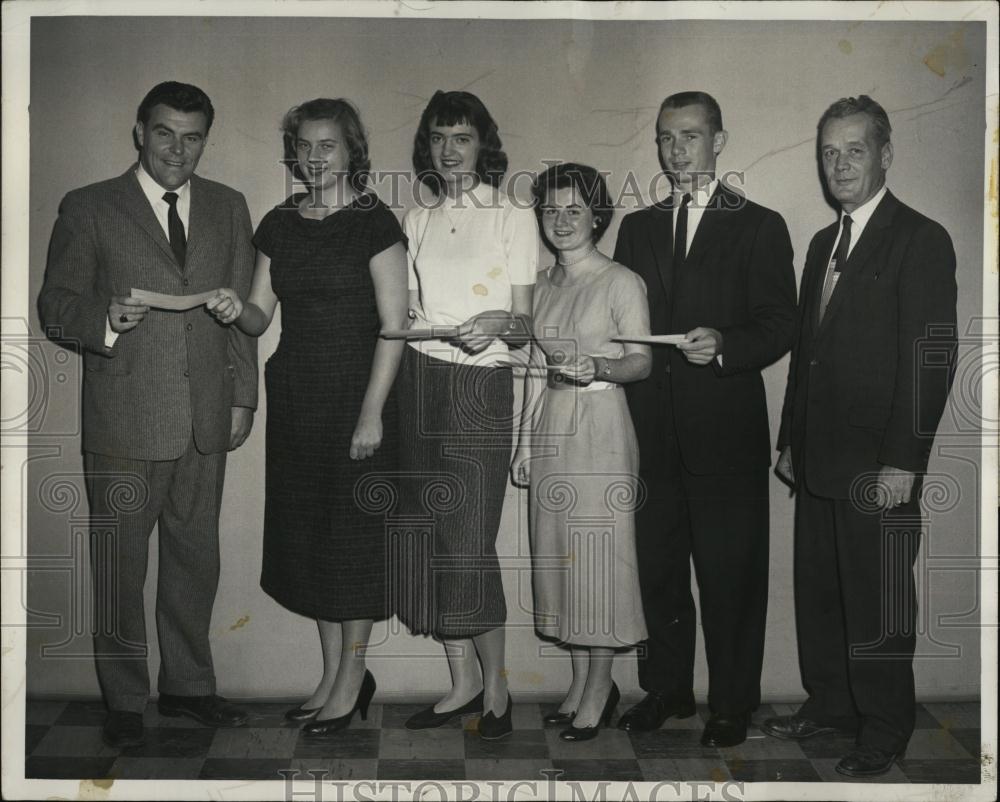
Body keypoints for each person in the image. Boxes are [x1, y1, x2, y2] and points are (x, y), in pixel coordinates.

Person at [37, 81, 258, 748]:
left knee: (196, 561)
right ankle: (125, 700)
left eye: (192, 136)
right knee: (120, 568)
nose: (177, 148)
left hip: (205, 417)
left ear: (204, 141)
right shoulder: (89, 206)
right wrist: (103, 318)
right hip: (124, 419)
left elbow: (243, 310)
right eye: (165, 132)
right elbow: (57, 304)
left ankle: (190, 688)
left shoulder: (228, 206)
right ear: (140, 132)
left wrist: (244, 395)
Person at [762, 96, 957, 777]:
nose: (839, 165)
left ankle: (883, 729)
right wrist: (789, 439)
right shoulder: (823, 243)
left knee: (878, 603)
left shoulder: (920, 238)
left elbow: (931, 356)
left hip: (880, 465)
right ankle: (832, 706)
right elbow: (808, 351)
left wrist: (905, 460)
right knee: (822, 596)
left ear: (885, 154)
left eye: (853, 150)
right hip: (817, 460)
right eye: (829, 152)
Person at [207, 98, 408, 735]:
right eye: (305, 146)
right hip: (298, 399)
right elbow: (261, 316)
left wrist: (372, 415)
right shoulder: (280, 222)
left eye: (328, 145)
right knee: (315, 544)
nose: (314, 158)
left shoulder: (376, 223)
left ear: (353, 150)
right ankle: (330, 676)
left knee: (352, 546)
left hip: (357, 397)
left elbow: (394, 327)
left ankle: (352, 678)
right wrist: (232, 307)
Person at [613, 91, 797, 747]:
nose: (675, 149)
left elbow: (780, 323)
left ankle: (732, 705)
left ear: (720, 140)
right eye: (665, 137)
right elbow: (620, 324)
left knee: (732, 578)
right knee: (658, 572)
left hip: (725, 435)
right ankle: (667, 691)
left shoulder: (759, 224)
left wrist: (724, 343)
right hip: (651, 432)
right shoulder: (636, 228)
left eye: (689, 136)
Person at [394, 90, 537, 740]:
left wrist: (499, 322)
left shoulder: (512, 216)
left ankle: (498, 691)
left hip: (480, 386)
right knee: (428, 535)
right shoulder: (416, 220)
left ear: (485, 144)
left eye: (463, 137)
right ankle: (460, 687)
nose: (450, 150)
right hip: (420, 381)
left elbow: (526, 321)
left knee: (469, 541)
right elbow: (409, 316)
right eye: (439, 137)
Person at [511, 163, 650, 741]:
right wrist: (523, 442)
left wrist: (599, 365)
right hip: (550, 429)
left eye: (574, 210)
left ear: (597, 216)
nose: (561, 221)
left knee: (597, 558)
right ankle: (579, 683)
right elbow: (533, 369)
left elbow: (642, 362)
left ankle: (600, 688)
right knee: (560, 556)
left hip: (600, 425)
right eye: (550, 210)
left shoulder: (621, 281)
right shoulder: (540, 284)